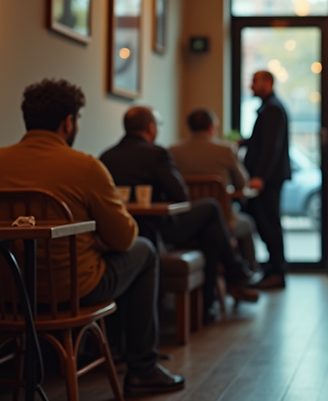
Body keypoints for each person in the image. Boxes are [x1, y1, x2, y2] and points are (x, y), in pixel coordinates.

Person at [0, 79, 184, 396]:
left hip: (6, 295)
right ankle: (142, 368)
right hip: (70, 293)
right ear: (68, 122)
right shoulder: (85, 166)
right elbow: (123, 238)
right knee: (146, 251)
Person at [99, 106, 259, 319]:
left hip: (120, 230)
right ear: (151, 128)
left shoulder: (106, 156)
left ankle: (224, 286)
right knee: (211, 210)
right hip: (158, 228)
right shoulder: (158, 153)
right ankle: (225, 284)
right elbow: (181, 194)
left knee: (211, 229)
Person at [170, 108, 258, 271]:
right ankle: (247, 274)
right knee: (248, 223)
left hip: (187, 222)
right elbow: (241, 184)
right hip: (223, 221)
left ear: (189, 128)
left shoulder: (172, 151)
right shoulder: (225, 150)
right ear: (212, 127)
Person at [240, 70, 291, 289]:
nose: (251, 86)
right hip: (268, 178)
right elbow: (261, 142)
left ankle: (277, 272)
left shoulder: (272, 109)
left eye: (255, 81)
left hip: (268, 180)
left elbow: (271, 146)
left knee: (269, 224)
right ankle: (270, 269)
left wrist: (259, 176)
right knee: (264, 223)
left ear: (268, 83)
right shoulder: (270, 108)